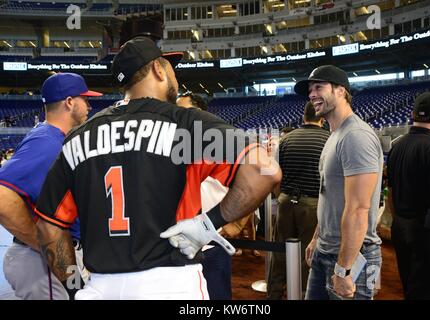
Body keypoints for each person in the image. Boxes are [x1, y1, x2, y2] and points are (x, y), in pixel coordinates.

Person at [34, 37, 281, 300]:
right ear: (158, 69)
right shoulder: (185, 124)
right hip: (171, 282)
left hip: (100, 286)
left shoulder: (78, 137)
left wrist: (74, 288)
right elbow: (263, 170)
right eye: (170, 67)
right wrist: (207, 225)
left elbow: (48, 227)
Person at [0, 73, 102, 299]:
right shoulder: (47, 141)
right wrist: (44, 243)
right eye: (85, 99)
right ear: (69, 102)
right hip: (39, 262)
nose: (89, 105)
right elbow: (2, 197)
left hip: (58, 258)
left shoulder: (54, 138)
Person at [295, 65, 383, 300]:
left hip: (355, 257)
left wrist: (344, 269)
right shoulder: (335, 135)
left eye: (319, 87)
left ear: (341, 91)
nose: (312, 94)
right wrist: (317, 237)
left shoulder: (356, 136)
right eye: (310, 90)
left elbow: (358, 208)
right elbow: (329, 196)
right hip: (327, 250)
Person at [387, 92, 430, 300]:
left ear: (413, 114)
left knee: (411, 288)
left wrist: (399, 221)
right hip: (428, 234)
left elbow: (391, 193)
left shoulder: (396, 146)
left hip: (401, 227)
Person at [267, 101, 330, 300]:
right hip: (313, 204)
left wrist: (281, 197)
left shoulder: (287, 139)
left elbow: (275, 175)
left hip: (286, 200)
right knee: (308, 254)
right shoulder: (329, 140)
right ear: (321, 117)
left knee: (279, 252)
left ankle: (274, 294)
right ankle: (303, 294)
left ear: (303, 117)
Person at [176, 91, 232, 300]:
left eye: (183, 110)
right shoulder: (173, 146)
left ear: (199, 112)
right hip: (180, 243)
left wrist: (234, 224)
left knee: (218, 296)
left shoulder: (219, 144)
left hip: (212, 242)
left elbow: (254, 182)